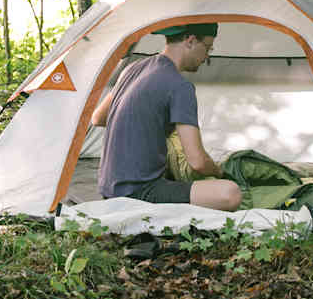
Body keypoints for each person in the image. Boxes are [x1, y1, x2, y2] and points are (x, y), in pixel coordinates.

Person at [91, 23, 242, 211]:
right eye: (208, 48)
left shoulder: (132, 69)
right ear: (191, 41)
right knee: (230, 193)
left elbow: (98, 118)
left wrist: (147, 126)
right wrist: (219, 171)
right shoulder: (180, 86)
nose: (207, 56)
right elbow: (197, 162)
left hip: (108, 188)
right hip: (139, 192)